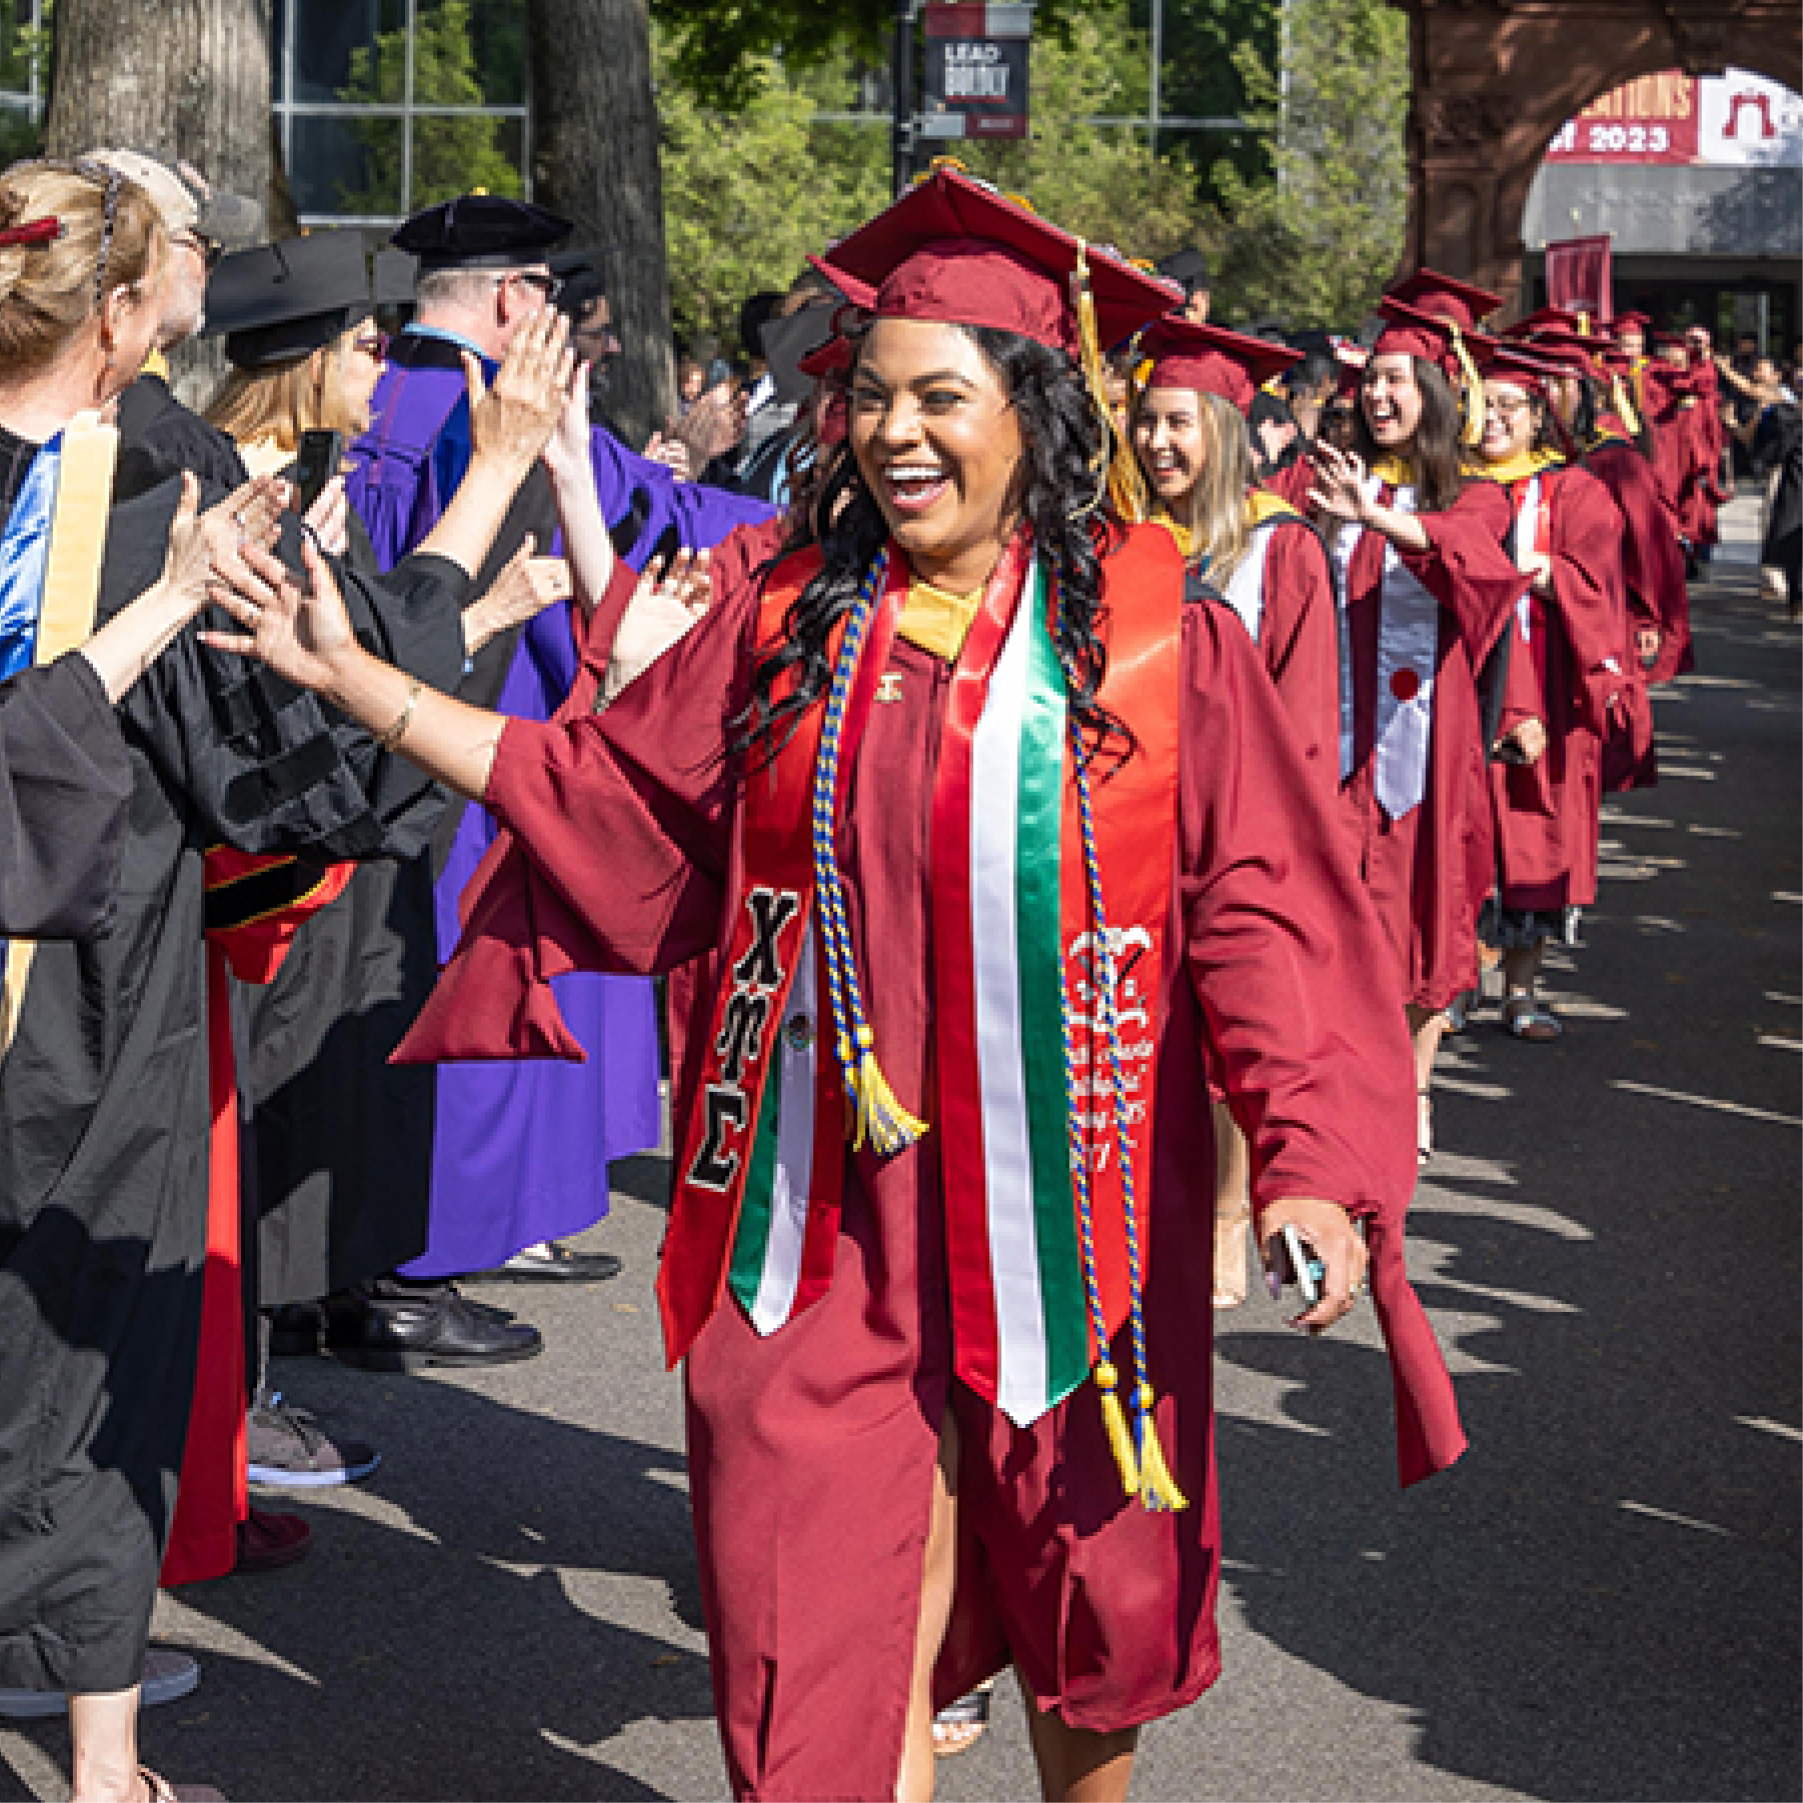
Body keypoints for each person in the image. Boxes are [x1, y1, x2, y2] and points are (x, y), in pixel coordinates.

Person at [208, 164, 1467, 1803]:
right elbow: (602, 793)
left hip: (1072, 1211)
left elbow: (1262, 915)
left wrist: (1301, 1156)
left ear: (1031, 411)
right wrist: (357, 675)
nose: (896, 433)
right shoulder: (785, 614)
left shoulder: (1153, 646)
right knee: (811, 1610)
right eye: (868, 396)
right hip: (814, 1218)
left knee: (1096, 1605)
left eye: (941, 396)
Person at [0, 154, 454, 1803]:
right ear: (123, 316)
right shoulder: (158, 483)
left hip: (60, 958)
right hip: (87, 978)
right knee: (86, 1330)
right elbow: (263, 766)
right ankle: (105, 1761)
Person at [330, 193, 766, 1349]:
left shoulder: (367, 394)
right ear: (519, 302)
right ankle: (412, 1268)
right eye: (556, 304)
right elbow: (660, 515)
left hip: (363, 735)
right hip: (478, 745)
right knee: (457, 1000)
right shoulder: (492, 419)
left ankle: (353, 1260)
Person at [197, 234, 579, 1502]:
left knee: (279, 1139)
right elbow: (335, 681)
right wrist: (511, 465)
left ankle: (242, 1402)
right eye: (365, 343)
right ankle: (230, 1419)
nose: (386, 361)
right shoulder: (248, 496)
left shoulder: (310, 480)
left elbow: (375, 645)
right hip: (260, 891)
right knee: (243, 1148)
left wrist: (478, 617)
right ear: (308, 362)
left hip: (296, 875)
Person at [1130, 315, 1342, 1304]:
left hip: (1228, 832)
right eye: (1143, 420)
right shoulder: (1120, 545)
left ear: (1223, 427)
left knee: (1223, 1033)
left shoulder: (1278, 548)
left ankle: (1223, 1215)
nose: (1156, 442)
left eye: (1177, 422)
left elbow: (1302, 721)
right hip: (1130, 828)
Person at [1302, 268, 1532, 1162]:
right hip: (1332, 749)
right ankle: (1335, 1087)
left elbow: (1475, 567)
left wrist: (1381, 519)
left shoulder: (1470, 497)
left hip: (1425, 758)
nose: (1379, 393)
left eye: (1400, 380)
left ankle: (1414, 1086)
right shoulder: (1328, 481)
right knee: (1333, 918)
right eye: (1373, 379)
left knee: (1426, 921)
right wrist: (1322, 526)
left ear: (1438, 394)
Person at [1473, 343, 1635, 1039]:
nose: (1492, 419)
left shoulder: (1572, 491)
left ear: (1539, 415)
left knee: (1538, 836)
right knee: (1465, 833)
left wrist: (1542, 573)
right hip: (1471, 687)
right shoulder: (1451, 484)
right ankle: (1450, 990)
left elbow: (1600, 585)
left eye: (1508, 406)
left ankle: (1520, 989)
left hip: (1551, 684)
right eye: (1483, 405)